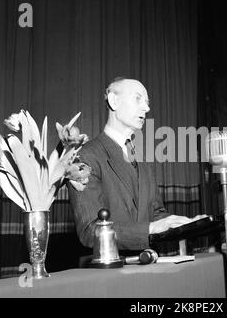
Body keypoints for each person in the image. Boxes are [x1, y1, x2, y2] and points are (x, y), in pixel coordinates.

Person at [68, 77, 202, 251]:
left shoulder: (142, 158)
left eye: (147, 102)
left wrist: (186, 225)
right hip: (109, 273)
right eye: (138, 99)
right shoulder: (85, 156)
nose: (146, 108)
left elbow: (155, 214)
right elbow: (90, 230)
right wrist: (150, 230)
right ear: (114, 101)